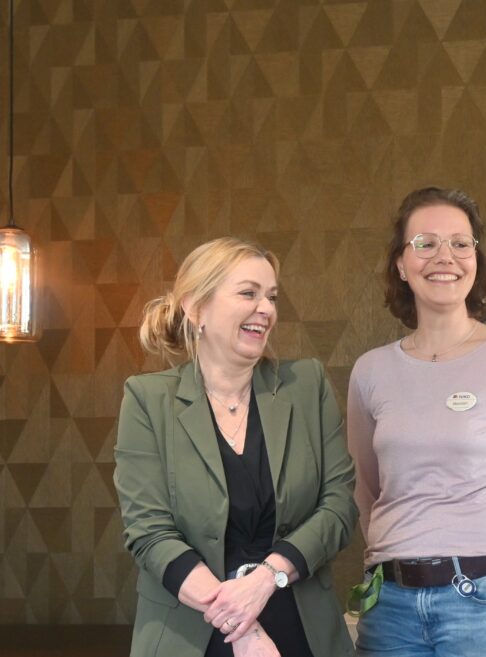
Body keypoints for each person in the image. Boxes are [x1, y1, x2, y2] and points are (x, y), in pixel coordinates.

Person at [347, 187, 486, 657]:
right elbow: (366, 490)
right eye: (425, 243)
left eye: (460, 243)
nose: (444, 256)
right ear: (401, 265)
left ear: (476, 259)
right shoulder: (370, 371)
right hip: (390, 607)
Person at [114, 237, 358, 657]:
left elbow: (338, 507)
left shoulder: (307, 385)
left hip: (301, 628)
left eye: (272, 297)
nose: (266, 309)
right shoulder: (147, 399)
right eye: (249, 293)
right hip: (192, 634)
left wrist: (265, 579)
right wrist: (243, 629)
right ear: (196, 308)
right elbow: (149, 532)